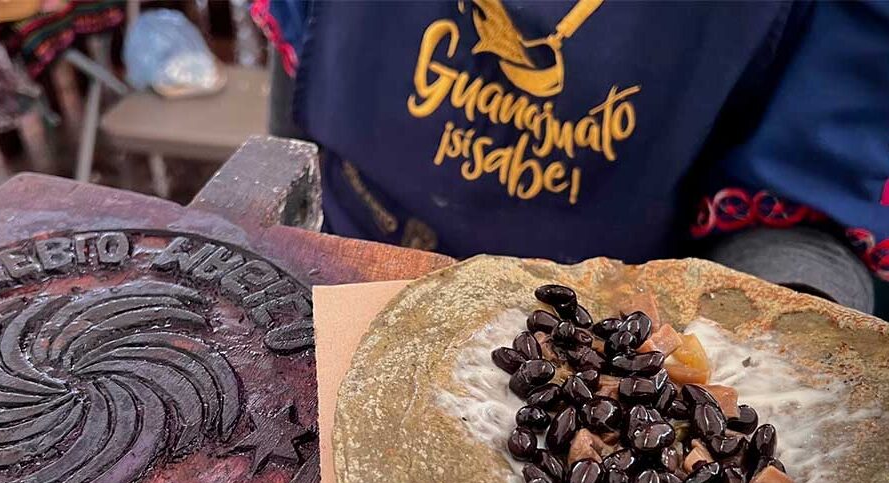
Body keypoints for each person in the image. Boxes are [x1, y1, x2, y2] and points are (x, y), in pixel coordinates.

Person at [252, 0, 889, 314]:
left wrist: (764, 350)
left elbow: (805, 214)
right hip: (340, 288)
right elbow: (295, 120)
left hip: (605, 336)